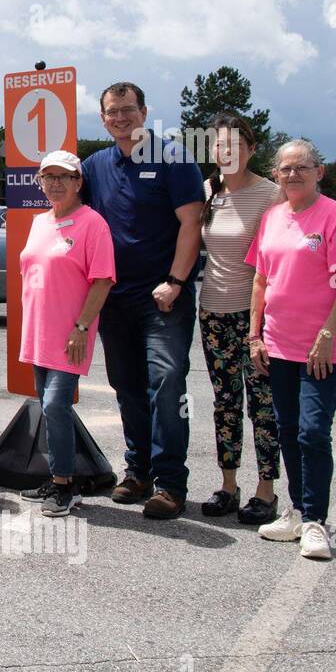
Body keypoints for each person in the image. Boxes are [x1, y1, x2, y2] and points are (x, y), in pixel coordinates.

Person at [82, 82, 204, 520]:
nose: (120, 118)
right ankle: (137, 472)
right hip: (115, 299)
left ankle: (171, 483)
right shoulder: (95, 165)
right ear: (102, 118)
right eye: (112, 112)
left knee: (167, 385)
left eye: (128, 110)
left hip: (164, 298)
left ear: (145, 111)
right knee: (127, 386)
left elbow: (192, 223)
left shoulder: (174, 159)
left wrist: (175, 280)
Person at [248, 140, 336, 560]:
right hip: (279, 344)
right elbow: (261, 280)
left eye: (302, 167)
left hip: (323, 349)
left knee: (313, 431)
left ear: (320, 172)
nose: (293, 175)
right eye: (285, 169)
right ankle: (297, 511)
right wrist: (254, 334)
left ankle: (316, 521)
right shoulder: (273, 218)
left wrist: (328, 334)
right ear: (276, 174)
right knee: (287, 429)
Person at [17, 151, 116, 516]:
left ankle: (65, 485)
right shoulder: (40, 222)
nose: (55, 183)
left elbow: (103, 279)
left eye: (64, 177)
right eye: (48, 177)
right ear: (40, 182)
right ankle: (57, 476)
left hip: (71, 334)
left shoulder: (93, 224)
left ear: (78, 182)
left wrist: (81, 327)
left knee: (56, 404)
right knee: (49, 407)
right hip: (39, 333)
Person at [197, 114, 284, 523]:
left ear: (251, 149)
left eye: (235, 145)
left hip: (256, 319)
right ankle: (228, 485)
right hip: (212, 311)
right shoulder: (208, 191)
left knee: (263, 407)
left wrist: (260, 324)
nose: (226, 152)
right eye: (218, 145)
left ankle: (266, 491)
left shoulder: (271, 195)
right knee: (225, 403)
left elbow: (277, 263)